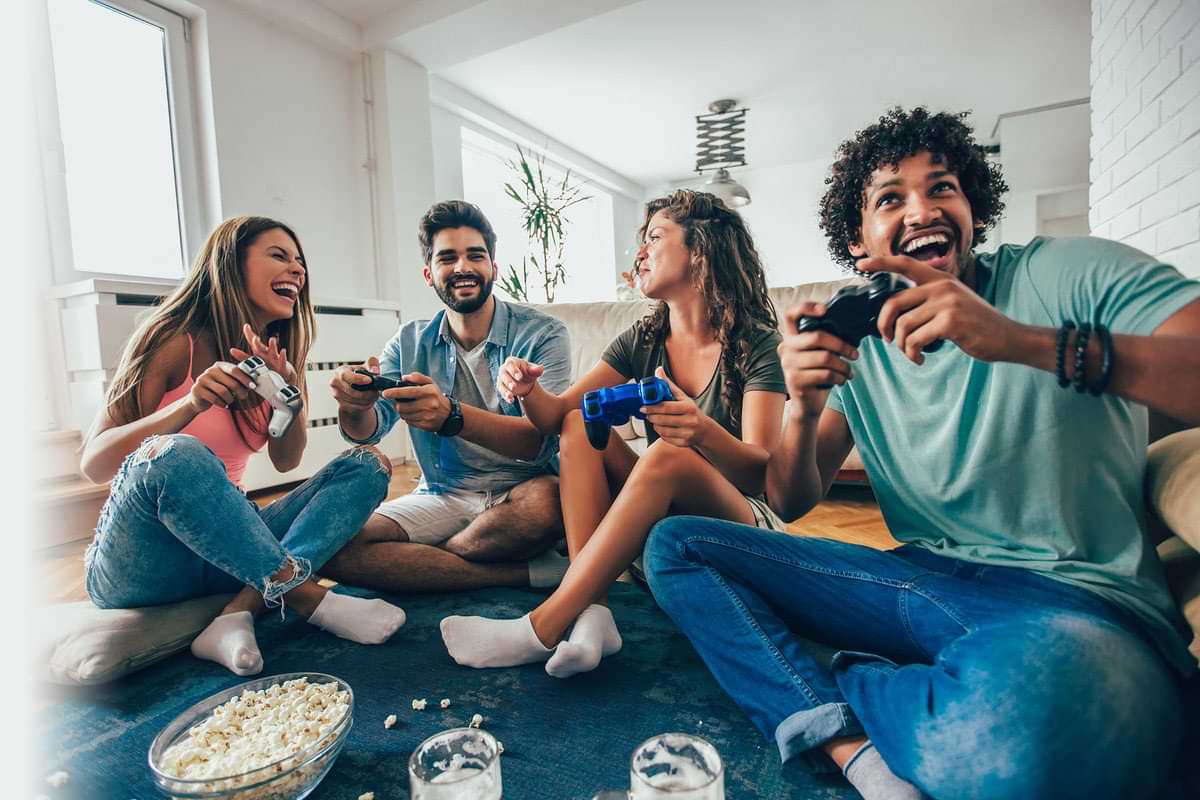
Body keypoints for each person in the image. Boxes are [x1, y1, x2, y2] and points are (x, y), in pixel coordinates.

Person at [642, 107, 1200, 800]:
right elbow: (790, 499)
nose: (922, 209)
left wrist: (1021, 342)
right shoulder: (861, 338)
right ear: (860, 238)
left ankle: (837, 670)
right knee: (676, 547)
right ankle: (850, 748)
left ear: (973, 206)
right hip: (918, 581)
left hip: (1077, 601)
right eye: (890, 199)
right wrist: (805, 406)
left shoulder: (1066, 273)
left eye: (943, 188)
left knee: (1030, 754)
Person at [440, 189, 787, 678]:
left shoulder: (754, 344)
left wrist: (701, 431)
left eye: (654, 238)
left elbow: (764, 476)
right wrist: (526, 390)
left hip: (743, 530)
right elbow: (558, 415)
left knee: (666, 456)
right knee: (583, 420)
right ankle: (592, 614)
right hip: (660, 528)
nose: (640, 253)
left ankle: (542, 626)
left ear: (700, 250)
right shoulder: (643, 339)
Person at [81, 216, 406, 677]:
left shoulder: (279, 354)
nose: (297, 271)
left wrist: (287, 403)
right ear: (230, 266)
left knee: (367, 464)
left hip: (223, 553)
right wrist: (190, 404)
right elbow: (95, 463)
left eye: (300, 263)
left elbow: (286, 459)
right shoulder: (174, 338)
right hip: (139, 565)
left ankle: (238, 613)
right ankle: (305, 596)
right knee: (179, 451)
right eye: (279, 256)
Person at [322, 201, 572, 593]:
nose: (462, 267)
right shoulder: (408, 341)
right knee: (335, 545)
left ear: (493, 267)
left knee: (550, 505)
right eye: (447, 258)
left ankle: (429, 562)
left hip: (524, 490)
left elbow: (539, 442)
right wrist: (354, 407)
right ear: (429, 274)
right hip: (442, 494)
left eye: (475, 255)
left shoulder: (543, 334)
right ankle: (522, 573)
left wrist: (452, 417)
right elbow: (366, 433)